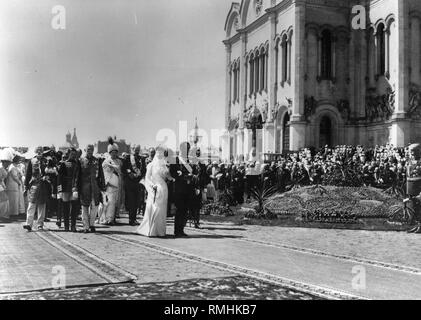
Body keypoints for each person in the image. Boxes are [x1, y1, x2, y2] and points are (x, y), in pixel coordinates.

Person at [136, 146, 174, 237]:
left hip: (163, 189)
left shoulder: (165, 165)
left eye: (161, 154)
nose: (160, 156)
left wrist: (170, 176)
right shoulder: (150, 165)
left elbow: (169, 178)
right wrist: (152, 186)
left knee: (161, 210)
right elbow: (147, 178)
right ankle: (151, 230)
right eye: (158, 154)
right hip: (154, 189)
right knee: (153, 208)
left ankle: (160, 231)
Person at [78, 144, 105, 233]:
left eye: (92, 149)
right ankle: (86, 226)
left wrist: (103, 186)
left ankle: (92, 224)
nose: (90, 151)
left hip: (95, 187)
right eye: (89, 149)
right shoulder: (81, 161)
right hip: (84, 187)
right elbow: (77, 175)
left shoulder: (97, 160)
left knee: (95, 206)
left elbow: (101, 174)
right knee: (84, 207)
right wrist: (76, 187)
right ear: (85, 150)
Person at [170, 142, 195, 237]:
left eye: (188, 149)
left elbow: (193, 171)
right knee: (179, 210)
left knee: (185, 210)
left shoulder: (188, 160)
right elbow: (172, 172)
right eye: (185, 149)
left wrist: (191, 176)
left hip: (188, 189)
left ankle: (182, 229)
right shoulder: (175, 159)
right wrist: (182, 176)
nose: (187, 151)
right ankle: (177, 231)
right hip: (179, 189)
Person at [23, 146, 50, 231]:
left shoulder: (47, 160)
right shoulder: (32, 160)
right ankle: (28, 224)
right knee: (31, 204)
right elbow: (28, 174)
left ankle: (40, 224)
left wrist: (47, 177)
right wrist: (25, 186)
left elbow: (51, 171)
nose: (39, 152)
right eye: (38, 151)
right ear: (35, 151)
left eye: (41, 151)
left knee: (42, 205)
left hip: (44, 185)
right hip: (34, 185)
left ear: (43, 152)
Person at [100, 137, 123, 226]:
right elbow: (105, 172)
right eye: (112, 152)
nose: (114, 154)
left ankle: (112, 218)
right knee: (109, 202)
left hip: (117, 184)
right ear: (110, 153)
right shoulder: (106, 161)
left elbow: (120, 171)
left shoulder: (119, 161)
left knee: (115, 202)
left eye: (115, 152)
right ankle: (107, 219)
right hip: (109, 184)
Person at [123, 145, 146, 226]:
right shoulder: (127, 158)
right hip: (129, 183)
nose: (136, 151)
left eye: (138, 150)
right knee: (131, 201)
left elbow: (143, 170)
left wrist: (139, 177)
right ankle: (131, 219)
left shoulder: (141, 159)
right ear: (132, 149)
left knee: (137, 201)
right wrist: (129, 173)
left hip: (138, 182)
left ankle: (134, 218)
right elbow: (124, 168)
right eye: (135, 150)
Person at [57, 148, 79, 232]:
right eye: (72, 154)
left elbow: (78, 176)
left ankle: (73, 226)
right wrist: (59, 190)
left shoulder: (77, 163)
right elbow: (59, 178)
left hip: (74, 188)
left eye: (74, 154)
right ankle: (66, 226)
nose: (73, 155)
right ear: (68, 154)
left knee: (74, 208)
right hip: (65, 188)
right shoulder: (63, 164)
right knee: (65, 208)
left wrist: (77, 187)